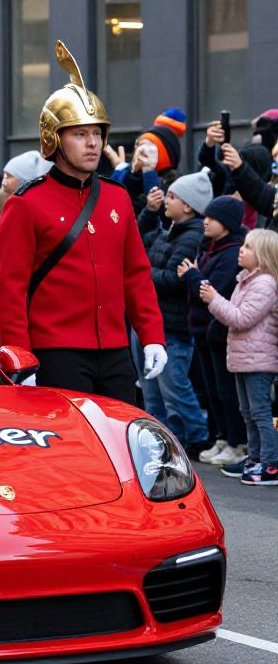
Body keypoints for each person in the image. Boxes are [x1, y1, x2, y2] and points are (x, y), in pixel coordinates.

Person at [0, 40, 165, 401]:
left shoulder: (117, 196)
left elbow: (135, 274)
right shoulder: (26, 204)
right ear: (54, 140)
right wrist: (18, 357)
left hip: (115, 350)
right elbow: (10, 291)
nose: (93, 143)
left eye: (97, 133)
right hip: (56, 352)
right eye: (80, 134)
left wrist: (152, 336)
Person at [132, 169, 212, 453]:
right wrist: (150, 212)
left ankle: (196, 436)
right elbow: (138, 242)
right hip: (150, 321)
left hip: (172, 326)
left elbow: (171, 279)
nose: (166, 200)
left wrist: (140, 272)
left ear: (188, 206)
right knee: (151, 389)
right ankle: (161, 438)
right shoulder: (171, 230)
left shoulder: (192, 237)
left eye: (173, 197)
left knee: (174, 389)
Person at [201, 228, 278, 486]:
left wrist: (214, 300)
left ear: (263, 255)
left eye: (248, 247)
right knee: (248, 412)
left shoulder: (265, 284)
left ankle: (271, 463)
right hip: (245, 358)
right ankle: (255, 458)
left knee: (260, 413)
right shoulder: (246, 280)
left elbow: (241, 318)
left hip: (260, 360)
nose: (241, 250)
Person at [177, 196, 247, 468]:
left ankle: (236, 442)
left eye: (212, 218)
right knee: (211, 390)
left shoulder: (231, 253)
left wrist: (193, 276)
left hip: (218, 332)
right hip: (202, 330)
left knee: (226, 391)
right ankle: (221, 436)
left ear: (226, 223)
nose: (205, 221)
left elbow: (213, 292)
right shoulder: (210, 248)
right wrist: (196, 278)